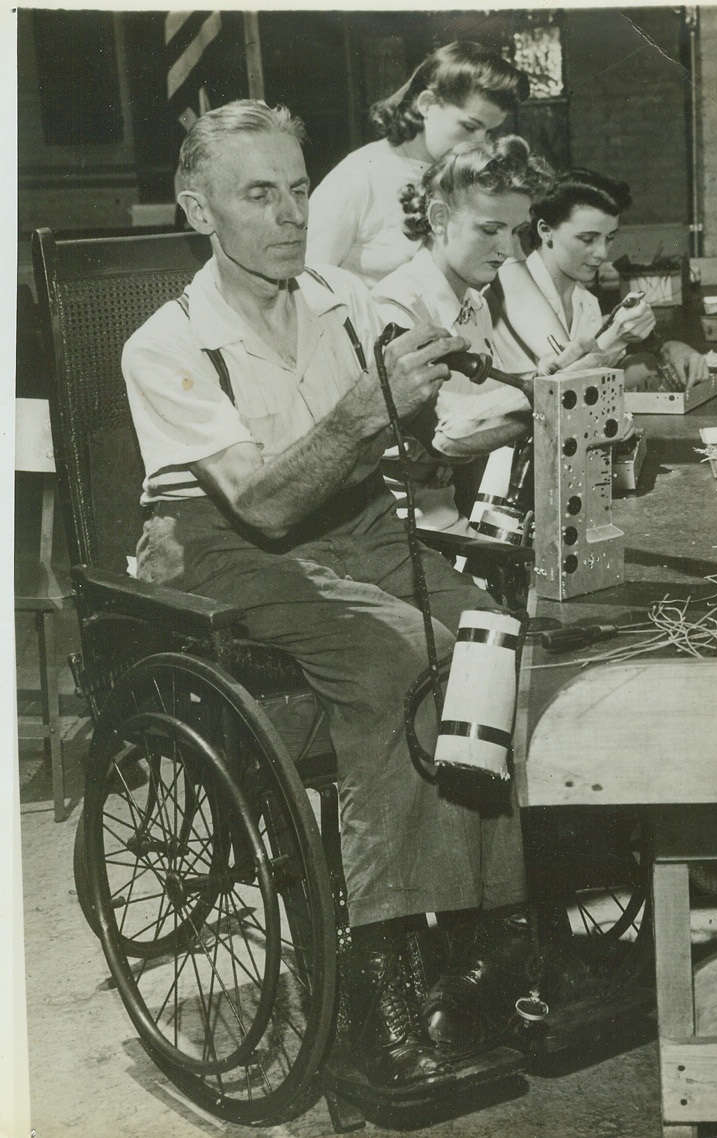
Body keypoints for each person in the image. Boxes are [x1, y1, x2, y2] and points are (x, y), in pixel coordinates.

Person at [122, 99, 532, 1093]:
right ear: (196, 208)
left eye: (298, 188)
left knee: (488, 636)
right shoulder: (168, 342)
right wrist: (368, 405)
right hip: (224, 548)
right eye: (256, 193)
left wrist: (471, 366)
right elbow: (262, 500)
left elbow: (445, 370)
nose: (288, 213)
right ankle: (378, 973)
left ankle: (481, 940)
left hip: (348, 521)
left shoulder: (345, 296)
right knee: (391, 658)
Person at [307, 39, 570, 364]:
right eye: (470, 126)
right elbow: (307, 292)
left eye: (489, 132)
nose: (480, 143)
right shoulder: (358, 177)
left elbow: (516, 286)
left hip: (452, 362)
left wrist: (564, 361)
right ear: (427, 104)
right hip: (373, 367)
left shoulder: (474, 177)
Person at [371, 135, 552, 533]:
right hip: (405, 526)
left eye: (516, 231)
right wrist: (551, 398)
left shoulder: (476, 304)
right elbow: (445, 437)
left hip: (452, 508)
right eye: (490, 230)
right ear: (438, 220)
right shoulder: (396, 307)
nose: (507, 249)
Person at [489, 167, 711, 391]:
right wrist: (616, 338)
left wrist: (672, 352)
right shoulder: (508, 293)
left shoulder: (586, 302)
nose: (602, 253)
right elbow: (559, 389)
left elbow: (604, 377)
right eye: (587, 239)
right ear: (546, 230)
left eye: (609, 238)